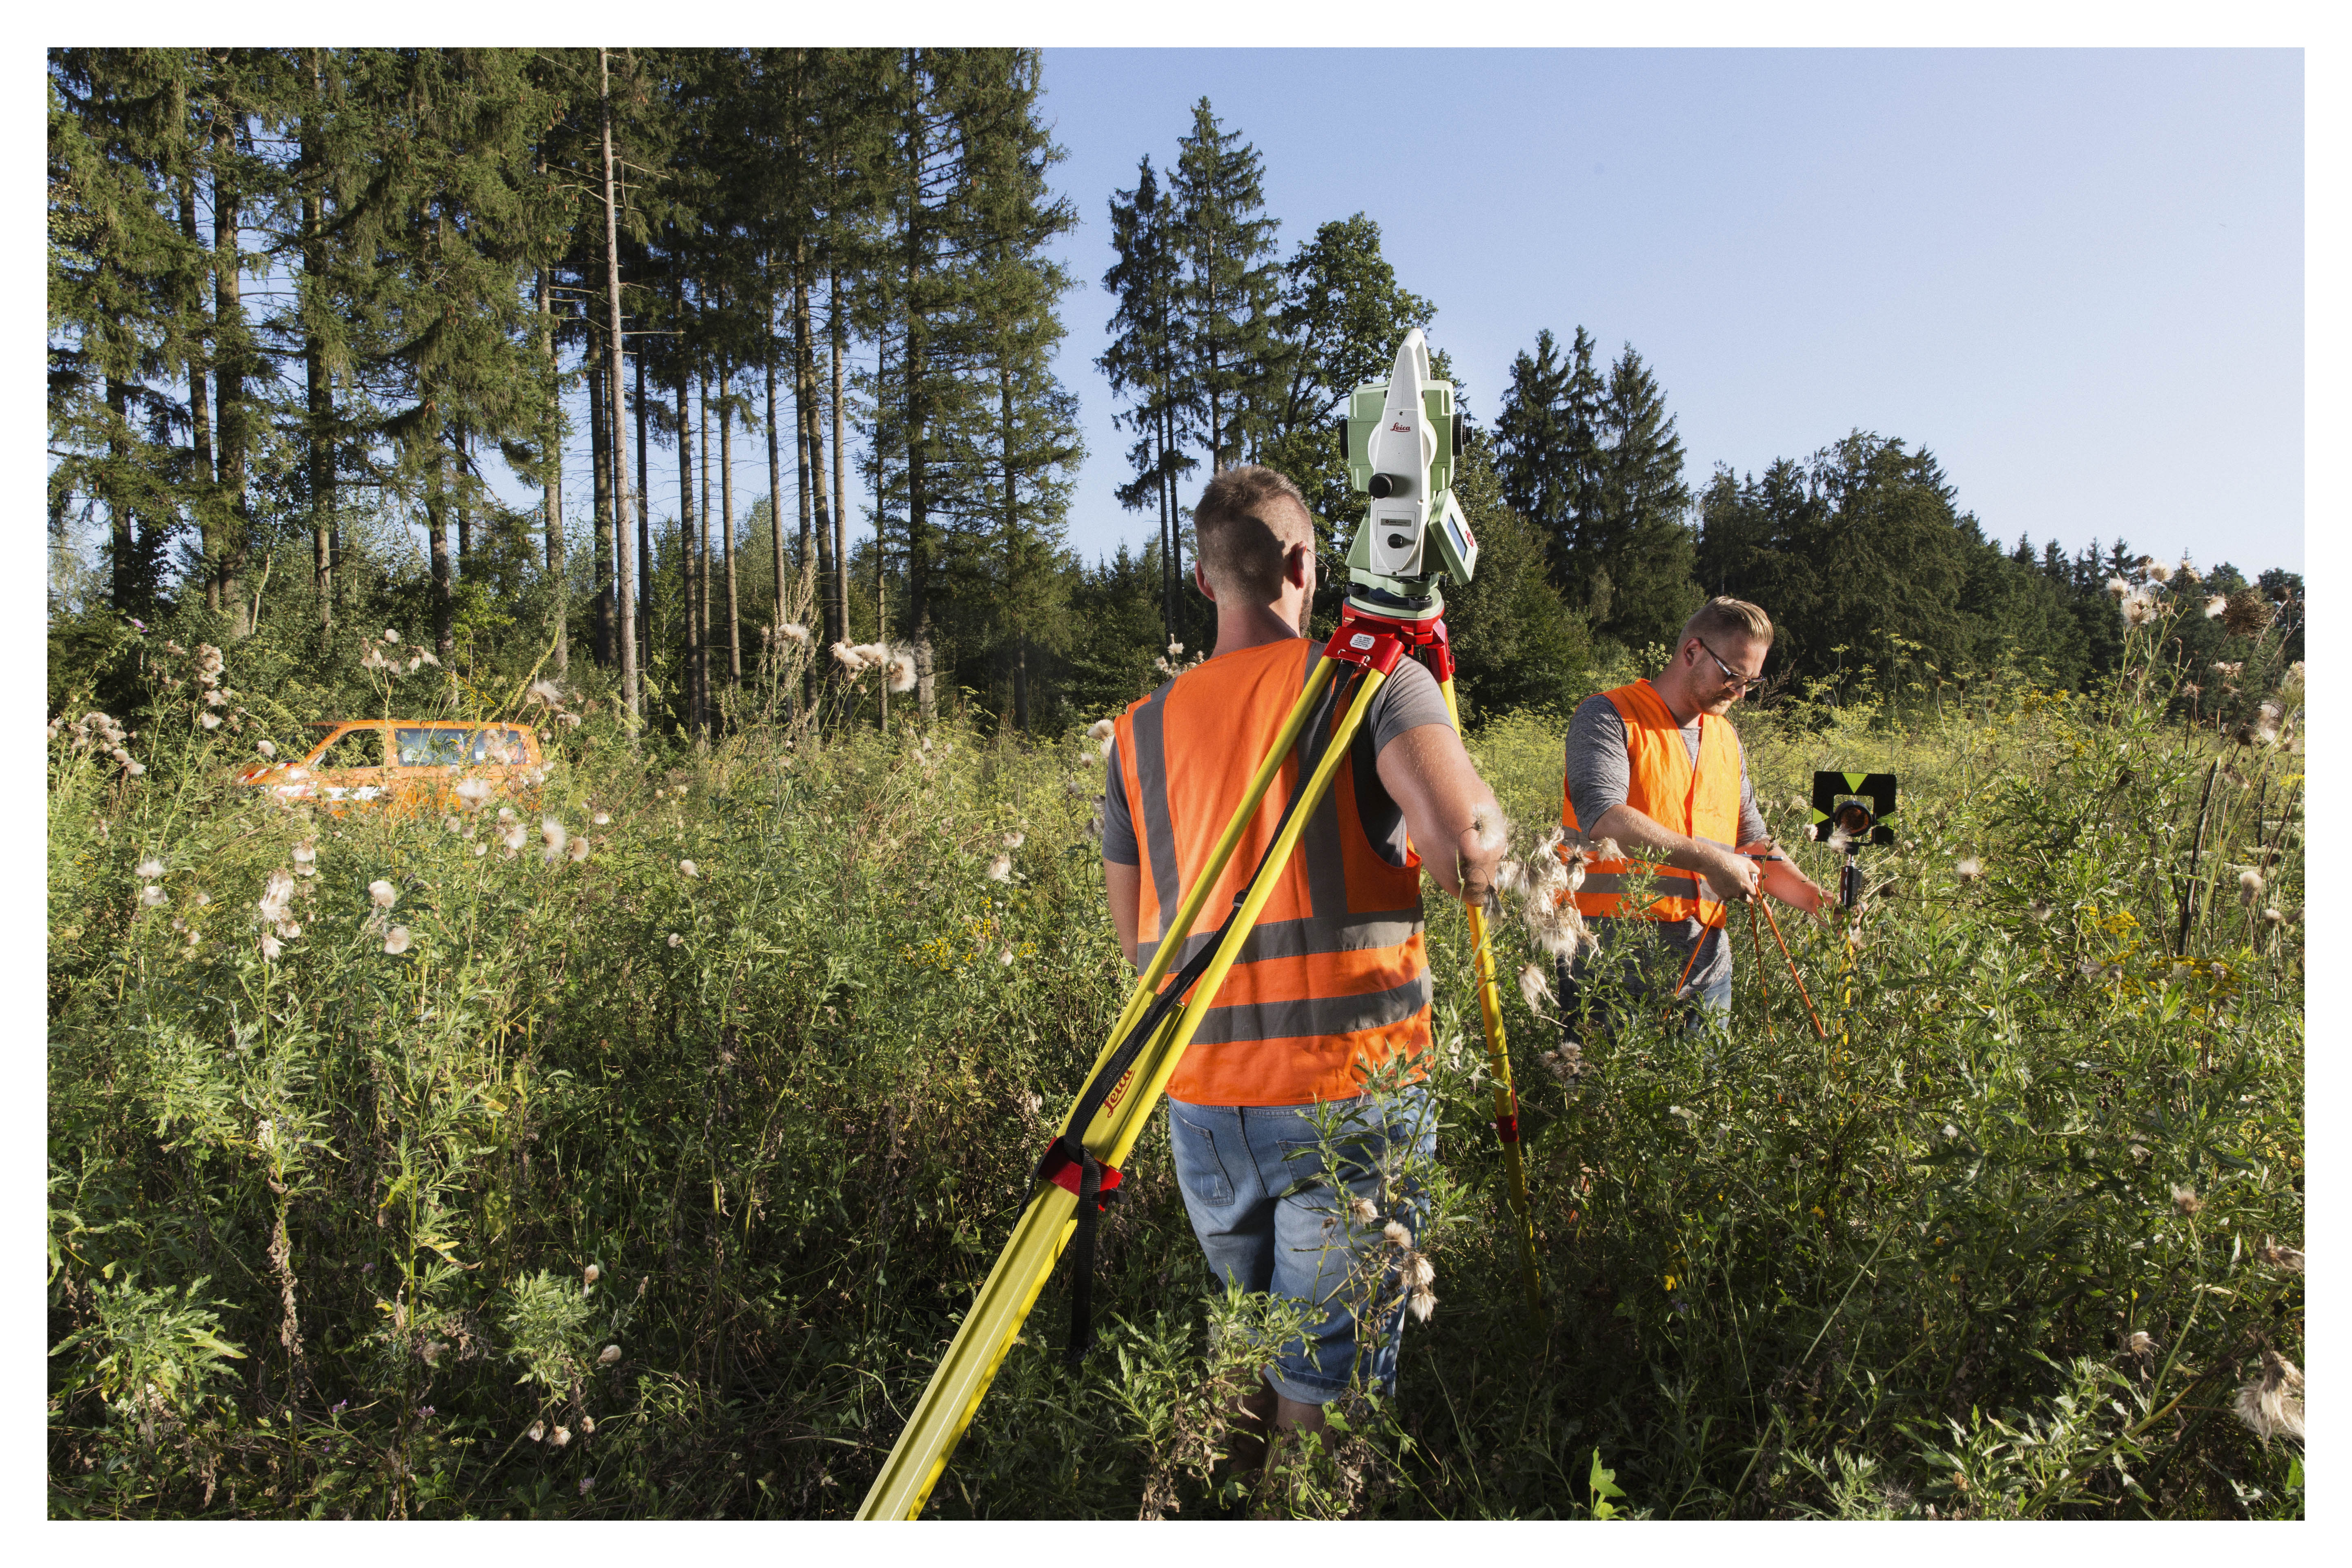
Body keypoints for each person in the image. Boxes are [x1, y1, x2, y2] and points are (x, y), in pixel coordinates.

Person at [1099, 465, 1503, 1469]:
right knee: (1326, 1379)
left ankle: (1228, 1502)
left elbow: (1137, 943)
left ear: (1204, 580)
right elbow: (1466, 850)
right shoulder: (1365, 682)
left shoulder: (1137, 731)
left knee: (1252, 1341)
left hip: (1201, 1098)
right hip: (1346, 1100)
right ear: (1303, 565)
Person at [1556, 596, 1825, 1032]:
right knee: (1600, 1080)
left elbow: (1752, 842)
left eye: (1751, 682)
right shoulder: (1608, 715)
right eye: (1733, 675)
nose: (1740, 692)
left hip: (1706, 969)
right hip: (1608, 962)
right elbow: (1604, 818)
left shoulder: (1725, 739)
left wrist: (1816, 901)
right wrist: (1712, 862)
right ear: (1692, 652)